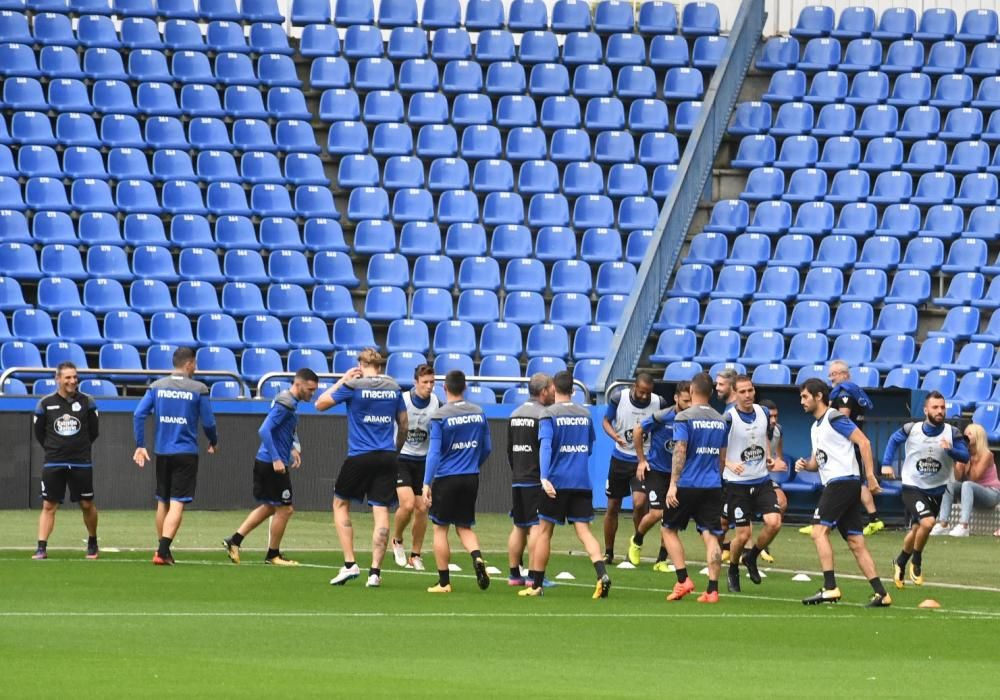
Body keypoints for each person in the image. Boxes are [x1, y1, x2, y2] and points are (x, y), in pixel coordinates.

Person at [795, 378, 891, 607]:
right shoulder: (815, 426)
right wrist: (805, 465)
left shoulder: (834, 417)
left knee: (818, 532)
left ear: (819, 396)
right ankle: (881, 593)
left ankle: (830, 587)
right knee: (856, 542)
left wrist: (870, 477)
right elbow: (817, 461)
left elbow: (864, 442)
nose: (802, 401)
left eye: (805, 396)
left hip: (842, 482)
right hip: (839, 484)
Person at [317, 348, 408, 589]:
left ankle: (350, 564)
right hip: (387, 456)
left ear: (360, 363)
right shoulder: (394, 387)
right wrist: (395, 450)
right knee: (381, 511)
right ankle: (375, 572)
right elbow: (405, 424)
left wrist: (341, 381)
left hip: (359, 455)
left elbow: (320, 404)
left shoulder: (353, 385)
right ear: (380, 365)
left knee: (340, 504)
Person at [519, 371, 610, 599]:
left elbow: (546, 446)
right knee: (584, 532)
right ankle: (601, 574)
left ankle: (536, 585)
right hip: (581, 481)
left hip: (556, 483)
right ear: (574, 390)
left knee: (544, 532)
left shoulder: (549, 413)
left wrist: (544, 477)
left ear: (553, 389)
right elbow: (589, 447)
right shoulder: (585, 413)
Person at [223, 369, 320, 567]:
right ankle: (273, 554)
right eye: (310, 389)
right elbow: (264, 429)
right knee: (285, 509)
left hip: (268, 461)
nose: (313, 393)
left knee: (269, 506)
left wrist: (291, 448)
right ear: (298, 384)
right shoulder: (286, 403)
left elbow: (280, 429)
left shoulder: (287, 401)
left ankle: (234, 541)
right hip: (271, 463)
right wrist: (277, 458)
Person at [133, 347, 218, 565]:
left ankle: (162, 549)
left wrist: (140, 445)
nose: (196, 368)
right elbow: (208, 422)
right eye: (195, 364)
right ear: (189, 364)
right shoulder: (198, 389)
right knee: (177, 503)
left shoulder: (157, 386)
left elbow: (139, 414)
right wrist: (213, 440)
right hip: (186, 452)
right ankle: (162, 551)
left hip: (162, 451)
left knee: (162, 501)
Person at [881, 391, 968, 589]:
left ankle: (901, 561)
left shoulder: (952, 433)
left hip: (937, 489)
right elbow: (894, 440)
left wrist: (950, 450)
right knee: (928, 523)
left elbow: (965, 457)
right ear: (925, 409)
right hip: (913, 486)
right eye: (935, 407)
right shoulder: (912, 429)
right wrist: (886, 463)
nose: (940, 411)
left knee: (917, 530)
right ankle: (917, 561)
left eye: (942, 407)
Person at [422, 370, 492, 593]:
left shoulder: (440, 416)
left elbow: (433, 452)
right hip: (471, 477)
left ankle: (444, 582)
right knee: (464, 527)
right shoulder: (478, 412)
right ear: (465, 388)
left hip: (446, 478)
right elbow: (487, 448)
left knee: (440, 529)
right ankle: (478, 558)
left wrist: (426, 482)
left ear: (445, 388)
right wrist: (473, 464)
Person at [661, 372, 729, 604]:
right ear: (711, 393)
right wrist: (715, 479)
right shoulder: (721, 420)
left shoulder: (684, 417)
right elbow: (722, 457)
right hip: (712, 485)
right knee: (711, 535)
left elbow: (680, 450)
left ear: (691, 390)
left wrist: (672, 484)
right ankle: (712, 590)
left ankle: (683, 580)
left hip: (687, 483)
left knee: (668, 529)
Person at [723, 376, 786, 592]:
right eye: (743, 392)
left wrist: (768, 456)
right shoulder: (729, 418)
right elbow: (718, 447)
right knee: (742, 535)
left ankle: (752, 557)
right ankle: (732, 568)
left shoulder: (763, 412)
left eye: (750, 390)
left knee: (774, 522)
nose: (748, 395)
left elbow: (764, 437)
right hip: (737, 483)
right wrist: (729, 463)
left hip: (761, 479)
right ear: (735, 394)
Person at [32, 362, 100, 560]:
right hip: (54, 462)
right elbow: (39, 433)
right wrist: (55, 449)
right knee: (49, 505)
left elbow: (94, 432)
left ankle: (93, 541)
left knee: (86, 504)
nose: (72, 381)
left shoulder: (88, 402)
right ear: (58, 379)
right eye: (68, 377)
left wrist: (80, 448)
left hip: (81, 461)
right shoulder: (45, 404)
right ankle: (41, 548)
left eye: (75, 377)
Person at [601, 373, 666, 563]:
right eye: (641, 392)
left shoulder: (659, 402)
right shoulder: (618, 398)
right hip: (620, 458)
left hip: (643, 461)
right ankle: (609, 552)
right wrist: (615, 436)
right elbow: (606, 421)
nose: (645, 396)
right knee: (613, 506)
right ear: (633, 387)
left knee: (639, 503)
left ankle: (636, 545)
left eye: (648, 393)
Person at [629, 381, 691, 570]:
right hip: (656, 471)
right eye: (686, 400)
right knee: (656, 513)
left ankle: (661, 560)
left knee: (669, 518)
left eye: (692, 400)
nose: (689, 405)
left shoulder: (692, 419)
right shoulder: (662, 416)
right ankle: (637, 540)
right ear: (676, 398)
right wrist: (641, 460)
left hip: (678, 475)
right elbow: (638, 430)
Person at [506, 373, 555, 587]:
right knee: (537, 527)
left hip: (518, 477)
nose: (554, 392)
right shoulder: (544, 414)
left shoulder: (515, 413)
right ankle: (535, 576)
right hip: (536, 479)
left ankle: (514, 574)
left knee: (519, 526)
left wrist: (517, 469)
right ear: (543, 391)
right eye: (552, 388)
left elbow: (509, 450)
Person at [826, 360, 883, 536]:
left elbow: (843, 419)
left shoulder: (845, 394)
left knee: (855, 483)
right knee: (856, 483)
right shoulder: (849, 391)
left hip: (847, 444)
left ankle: (872, 518)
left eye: (835, 373)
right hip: (850, 443)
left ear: (845, 374)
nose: (831, 377)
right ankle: (872, 518)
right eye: (830, 374)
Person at [391, 364, 439, 571]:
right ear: (415, 382)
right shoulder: (402, 400)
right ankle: (397, 540)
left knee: (423, 507)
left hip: (423, 460)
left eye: (432, 382)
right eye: (425, 382)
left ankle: (416, 554)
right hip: (402, 457)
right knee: (408, 504)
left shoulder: (437, 402)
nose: (429, 387)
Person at [931, 423, 1000, 538]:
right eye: (965, 433)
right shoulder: (965, 453)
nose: (966, 436)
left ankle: (964, 526)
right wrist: (954, 456)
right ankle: (943, 524)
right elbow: (957, 478)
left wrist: (966, 460)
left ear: (978, 437)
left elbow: (974, 478)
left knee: (967, 484)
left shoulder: (987, 454)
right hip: (973, 492)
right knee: (949, 484)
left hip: (992, 493)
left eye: (970, 434)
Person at [759, 398, 786, 563]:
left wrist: (779, 461)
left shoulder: (778, 430)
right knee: (726, 522)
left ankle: (763, 543)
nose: (774, 420)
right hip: (742, 478)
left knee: (782, 502)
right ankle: (728, 548)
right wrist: (771, 466)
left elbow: (778, 455)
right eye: (770, 417)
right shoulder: (752, 430)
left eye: (776, 416)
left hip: (763, 478)